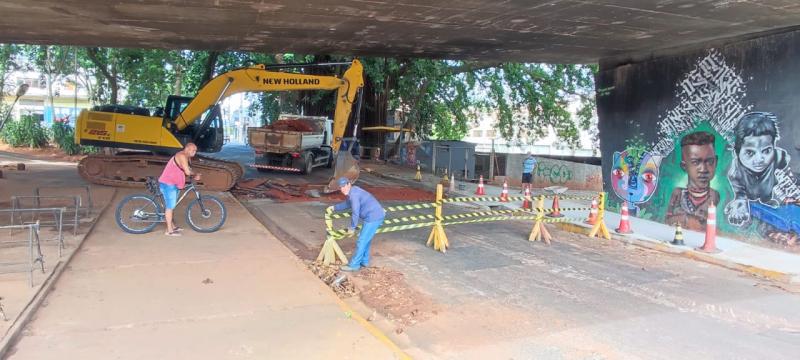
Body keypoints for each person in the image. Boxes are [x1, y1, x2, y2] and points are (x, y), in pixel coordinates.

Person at [726, 112, 791, 226]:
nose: (759, 159)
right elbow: (740, 194)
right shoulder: (735, 172)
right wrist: (740, 202)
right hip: (751, 199)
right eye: (750, 152)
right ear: (737, 151)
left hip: (767, 199)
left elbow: (785, 159)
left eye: (766, 151)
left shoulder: (779, 157)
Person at [665, 131, 720, 231]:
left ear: (716, 162)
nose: (703, 169)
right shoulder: (677, 193)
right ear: (684, 166)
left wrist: (683, 219)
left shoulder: (714, 196)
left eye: (709, 161)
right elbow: (667, 221)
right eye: (695, 162)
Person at [333, 177, 386, 272]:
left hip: (373, 217)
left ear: (349, 184)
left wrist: (352, 227)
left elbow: (355, 212)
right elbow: (347, 204)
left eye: (344, 186)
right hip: (375, 215)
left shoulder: (354, 194)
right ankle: (364, 261)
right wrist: (334, 208)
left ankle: (354, 265)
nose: (342, 189)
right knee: (366, 240)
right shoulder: (353, 191)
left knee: (361, 241)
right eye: (340, 187)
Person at [158, 143, 201, 236]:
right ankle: (169, 231)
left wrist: (193, 174)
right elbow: (187, 171)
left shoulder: (187, 156)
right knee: (170, 207)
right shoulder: (181, 156)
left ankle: (172, 226)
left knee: (171, 206)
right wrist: (195, 175)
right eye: (193, 150)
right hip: (168, 184)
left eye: (195, 150)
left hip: (173, 183)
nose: (195, 152)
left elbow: (188, 169)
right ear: (188, 149)